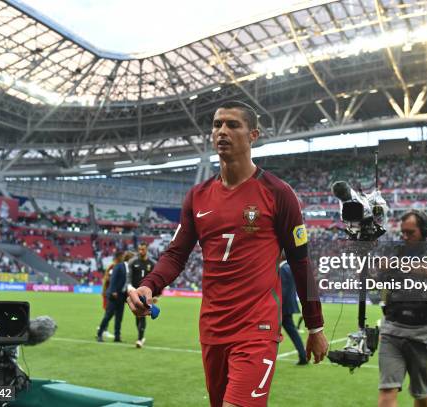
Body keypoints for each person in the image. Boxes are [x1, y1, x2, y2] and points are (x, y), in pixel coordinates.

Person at [127, 101, 328, 407]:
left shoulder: (278, 193)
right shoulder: (197, 196)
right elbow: (176, 254)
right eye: (217, 124)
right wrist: (149, 285)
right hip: (212, 328)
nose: (222, 131)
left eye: (233, 125)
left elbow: (301, 262)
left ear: (253, 135)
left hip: (257, 327)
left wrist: (315, 326)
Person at [378, 210, 427, 407]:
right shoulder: (396, 251)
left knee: (421, 394)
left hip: (425, 334)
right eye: (402, 232)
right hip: (392, 330)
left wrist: (397, 264)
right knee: (387, 391)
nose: (405, 236)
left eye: (410, 232)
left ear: (425, 231)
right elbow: (380, 283)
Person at [279, 253, 307, 365]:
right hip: (287, 306)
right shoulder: (290, 267)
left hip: (281, 307)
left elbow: (282, 289)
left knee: (265, 333)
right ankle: (303, 356)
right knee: (293, 333)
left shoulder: (284, 268)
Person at [97, 251, 130, 343]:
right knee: (108, 316)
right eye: (122, 255)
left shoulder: (124, 266)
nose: (123, 257)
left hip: (122, 295)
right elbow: (113, 280)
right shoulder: (117, 266)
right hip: (114, 295)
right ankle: (99, 334)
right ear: (119, 257)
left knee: (119, 317)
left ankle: (117, 336)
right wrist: (113, 291)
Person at [127, 242, 154, 348]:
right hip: (135, 292)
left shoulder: (152, 263)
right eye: (139, 249)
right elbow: (129, 276)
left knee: (142, 315)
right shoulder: (132, 262)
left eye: (143, 249)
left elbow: (154, 279)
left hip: (146, 294)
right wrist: (129, 286)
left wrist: (155, 294)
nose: (141, 251)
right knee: (137, 315)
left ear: (146, 249)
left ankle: (139, 339)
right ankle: (141, 336)